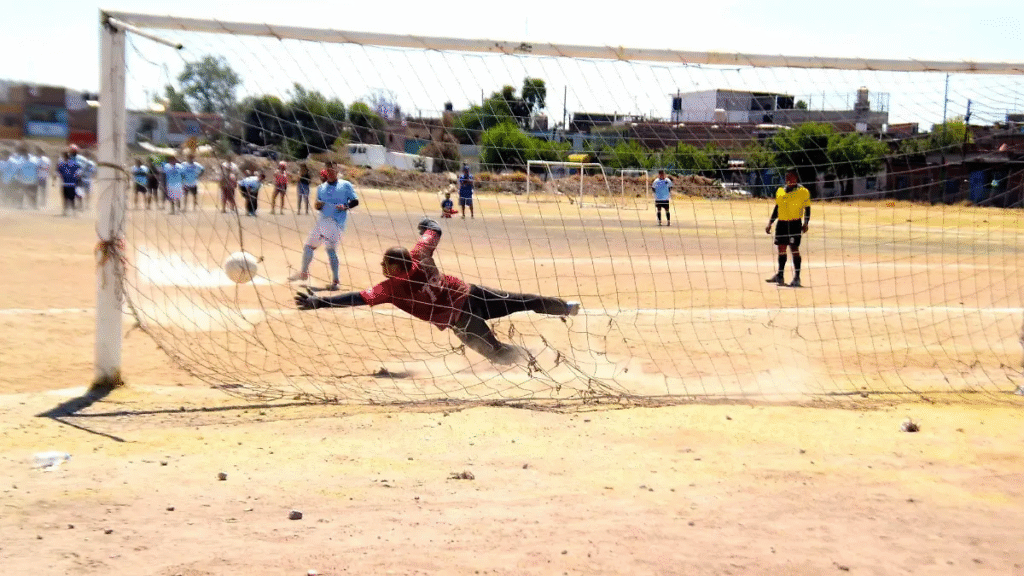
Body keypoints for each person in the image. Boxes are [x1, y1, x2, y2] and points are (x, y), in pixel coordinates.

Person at [294, 218, 580, 365]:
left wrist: (319, 302)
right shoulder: (419, 254)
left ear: (396, 267)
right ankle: (565, 308)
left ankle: (533, 358)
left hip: (460, 319)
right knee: (525, 301)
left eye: (386, 263)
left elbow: (356, 298)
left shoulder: (391, 288)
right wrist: (425, 226)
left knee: (497, 353)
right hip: (473, 295)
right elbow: (435, 229)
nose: (382, 266)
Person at [287, 161, 358, 290]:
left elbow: (355, 201)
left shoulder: (345, 185)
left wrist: (345, 206)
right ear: (326, 171)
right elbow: (317, 206)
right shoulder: (321, 188)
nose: (331, 172)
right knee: (309, 247)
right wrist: (318, 205)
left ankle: (334, 281)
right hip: (322, 221)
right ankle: (304, 273)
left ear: (337, 171)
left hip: (336, 223)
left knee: (329, 250)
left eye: (333, 169)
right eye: (328, 170)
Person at [765, 168, 811, 288]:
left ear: (796, 177)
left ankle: (797, 277)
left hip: (794, 224)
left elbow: (807, 208)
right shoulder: (780, 191)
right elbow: (777, 208)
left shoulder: (803, 191)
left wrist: (806, 222)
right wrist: (770, 223)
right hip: (782, 224)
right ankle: (780, 275)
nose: (787, 179)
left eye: (790, 177)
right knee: (781, 248)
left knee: (794, 249)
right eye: (786, 177)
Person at [56, 151, 80, 217]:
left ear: (64, 157)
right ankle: (74, 213)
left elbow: (58, 173)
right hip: (72, 184)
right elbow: (78, 173)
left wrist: (63, 176)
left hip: (65, 184)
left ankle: (65, 212)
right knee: (72, 199)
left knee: (65, 199)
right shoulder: (74, 163)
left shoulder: (61, 164)